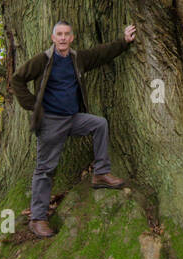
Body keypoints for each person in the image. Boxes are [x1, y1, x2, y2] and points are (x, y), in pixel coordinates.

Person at [13, 20, 136, 239]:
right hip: (50, 122)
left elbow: (102, 54)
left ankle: (100, 173)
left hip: (73, 118)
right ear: (53, 38)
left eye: (66, 34)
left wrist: (124, 42)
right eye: (58, 34)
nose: (62, 38)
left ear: (71, 38)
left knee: (99, 123)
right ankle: (38, 218)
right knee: (45, 170)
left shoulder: (77, 59)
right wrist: (34, 104)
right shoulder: (43, 60)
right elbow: (17, 79)